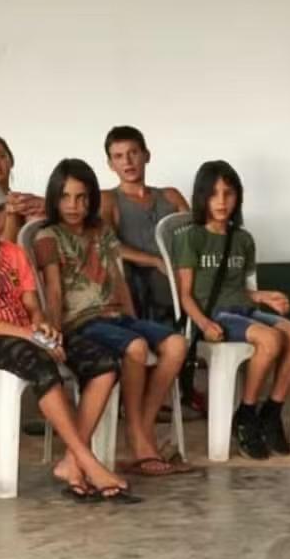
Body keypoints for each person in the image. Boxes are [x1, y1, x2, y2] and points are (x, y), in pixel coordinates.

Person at [0, 176, 137, 502]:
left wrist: (42, 326)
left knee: (103, 363)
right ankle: (87, 460)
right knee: (42, 362)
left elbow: (32, 303)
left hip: (25, 333)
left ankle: (70, 461)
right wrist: (30, 335)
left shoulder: (14, 252)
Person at [36, 159, 188, 477]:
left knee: (176, 343)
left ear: (92, 198)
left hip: (116, 316)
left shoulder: (101, 230)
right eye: (65, 197)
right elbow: (52, 289)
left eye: (81, 197)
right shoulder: (48, 236)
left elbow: (118, 279)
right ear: (54, 198)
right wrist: (55, 329)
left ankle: (141, 427)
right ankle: (137, 438)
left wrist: (131, 317)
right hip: (81, 321)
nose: (74, 205)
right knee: (134, 347)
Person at [175, 161, 290, 459]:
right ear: (201, 197)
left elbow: (239, 289)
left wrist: (264, 296)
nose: (221, 202)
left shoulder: (243, 239)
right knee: (271, 340)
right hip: (214, 316)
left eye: (228, 193)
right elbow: (185, 295)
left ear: (238, 197)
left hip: (244, 310)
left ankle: (271, 411)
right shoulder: (191, 238)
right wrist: (203, 324)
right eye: (213, 194)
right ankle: (245, 415)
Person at [99, 126, 189, 325]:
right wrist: (156, 261)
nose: (127, 161)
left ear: (146, 155)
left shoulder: (170, 195)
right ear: (111, 164)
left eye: (133, 153)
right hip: (139, 285)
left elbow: (196, 238)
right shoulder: (108, 199)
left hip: (181, 277)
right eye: (119, 156)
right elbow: (108, 244)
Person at [0, 133, 45, 244]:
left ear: (11, 161)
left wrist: (47, 206)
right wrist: (8, 212)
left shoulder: (22, 201)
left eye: (0, 156)